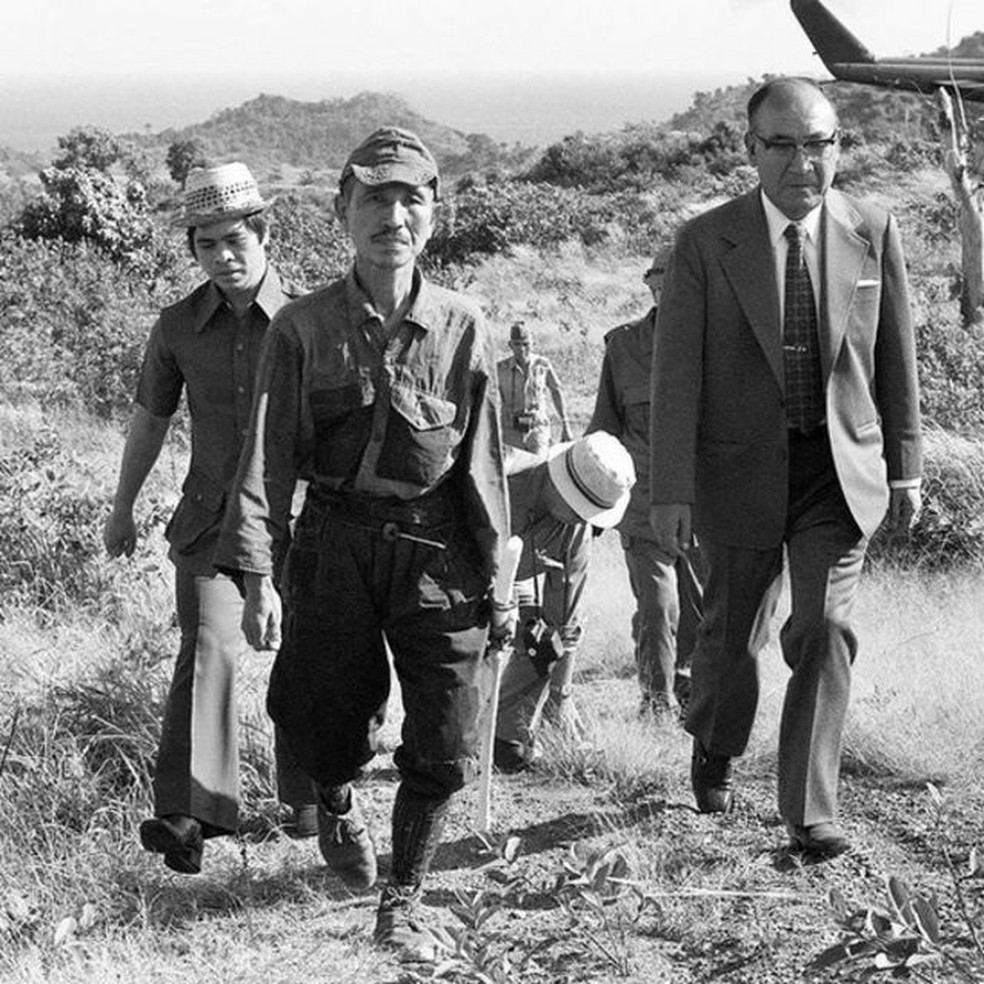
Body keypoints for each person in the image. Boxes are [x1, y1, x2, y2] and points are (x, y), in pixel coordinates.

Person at [213, 127, 511, 961]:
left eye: (411, 196)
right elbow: (265, 460)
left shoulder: (462, 326)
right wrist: (260, 576)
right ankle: (338, 800)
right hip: (335, 546)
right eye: (374, 197)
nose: (394, 214)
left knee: (449, 738)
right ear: (343, 210)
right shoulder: (302, 329)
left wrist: (500, 579)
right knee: (321, 723)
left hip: (437, 548)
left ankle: (403, 898)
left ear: (434, 214)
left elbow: (483, 466)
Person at [649, 78, 922, 859]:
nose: (805, 162)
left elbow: (897, 360)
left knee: (826, 626)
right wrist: (671, 489)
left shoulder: (872, 229)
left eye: (820, 144)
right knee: (731, 639)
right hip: (736, 473)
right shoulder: (706, 242)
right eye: (784, 145)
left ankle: (809, 811)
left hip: (838, 472)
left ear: (837, 147)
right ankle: (715, 742)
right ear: (751, 151)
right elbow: (676, 380)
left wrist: (905, 468)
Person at [103, 162, 316, 875]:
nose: (222, 257)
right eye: (206, 245)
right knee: (207, 649)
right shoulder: (177, 327)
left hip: (298, 522)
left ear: (263, 233)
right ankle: (188, 817)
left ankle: (310, 801)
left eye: (234, 241)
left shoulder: (309, 320)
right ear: (191, 248)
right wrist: (123, 507)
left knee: (307, 660)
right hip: (209, 524)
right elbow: (149, 420)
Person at [588, 251, 704, 720]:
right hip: (641, 508)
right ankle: (655, 705)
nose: (665, 292)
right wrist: (592, 504)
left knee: (700, 617)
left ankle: (692, 697)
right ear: (650, 287)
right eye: (658, 283)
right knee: (659, 610)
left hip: (703, 508)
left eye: (674, 285)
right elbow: (602, 431)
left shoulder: (715, 345)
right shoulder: (623, 348)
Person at [493, 433, 635, 772]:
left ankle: (507, 732)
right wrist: (500, 608)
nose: (583, 518)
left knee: (543, 642)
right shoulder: (497, 481)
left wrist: (562, 695)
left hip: (516, 582)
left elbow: (563, 622)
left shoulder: (577, 531)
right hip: (459, 579)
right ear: (558, 481)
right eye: (580, 507)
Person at [497, 322, 573, 454]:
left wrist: (565, 424)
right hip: (510, 431)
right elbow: (490, 397)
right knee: (511, 471)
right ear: (510, 345)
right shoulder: (501, 369)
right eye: (517, 344)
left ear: (533, 344)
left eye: (525, 344)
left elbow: (556, 391)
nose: (521, 349)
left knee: (539, 468)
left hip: (537, 430)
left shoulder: (543, 365)